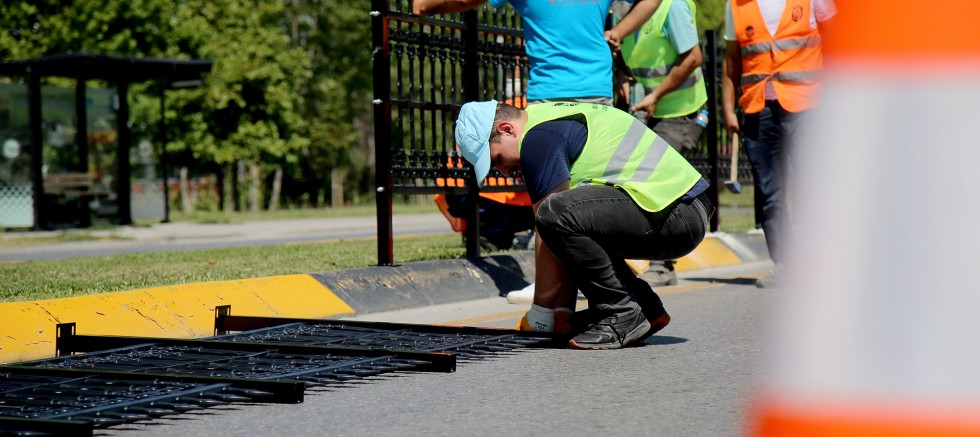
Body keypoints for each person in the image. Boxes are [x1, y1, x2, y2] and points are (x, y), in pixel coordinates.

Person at [454, 100, 714, 349]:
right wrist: (563, 314)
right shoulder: (547, 117)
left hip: (675, 214)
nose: (505, 171)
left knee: (553, 212)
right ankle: (642, 307)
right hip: (682, 211)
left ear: (506, 129)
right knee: (564, 216)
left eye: (497, 159)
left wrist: (541, 314)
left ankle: (623, 310)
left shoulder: (537, 138)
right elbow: (564, 242)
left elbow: (549, 228)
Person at [721, 0, 835, 288]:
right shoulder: (736, 5)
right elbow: (732, 60)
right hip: (759, 109)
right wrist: (727, 107)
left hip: (807, 106)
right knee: (769, 190)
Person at [611, 0, 708, 286]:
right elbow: (619, 54)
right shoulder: (619, 10)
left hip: (680, 108)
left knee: (658, 180)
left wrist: (656, 95)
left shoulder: (672, 6)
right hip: (646, 107)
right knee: (631, 179)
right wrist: (622, 76)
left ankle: (663, 265)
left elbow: (693, 58)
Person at [413, 0, 662, 106]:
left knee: (550, 193)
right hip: (597, 93)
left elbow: (466, 2)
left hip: (548, 96)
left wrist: (423, 5)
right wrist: (618, 32)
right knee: (592, 185)